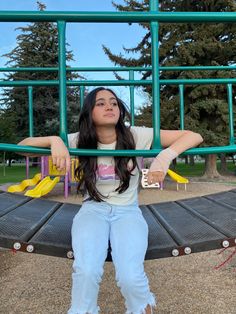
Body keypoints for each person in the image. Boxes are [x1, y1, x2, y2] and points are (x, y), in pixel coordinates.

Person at [18, 87, 203, 314]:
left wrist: (164, 156)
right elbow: (22, 148)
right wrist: (55, 140)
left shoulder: (136, 135)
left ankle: (142, 308)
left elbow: (194, 135)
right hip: (93, 210)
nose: (109, 106)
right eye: (101, 103)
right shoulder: (79, 140)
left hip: (127, 211)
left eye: (114, 103)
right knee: (86, 270)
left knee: (129, 274)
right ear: (89, 112)